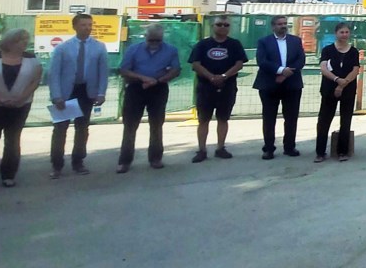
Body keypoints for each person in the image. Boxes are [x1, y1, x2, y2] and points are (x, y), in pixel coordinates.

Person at [0, 29, 42, 189]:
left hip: (19, 106)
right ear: (9, 42)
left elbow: (35, 81)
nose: (24, 43)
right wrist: (0, 98)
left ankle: (9, 175)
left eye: (26, 40)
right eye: (20, 40)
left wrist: (21, 98)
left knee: (12, 141)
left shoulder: (32, 59)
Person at [48, 14, 109, 178]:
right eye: (84, 25)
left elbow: (103, 72)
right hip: (66, 92)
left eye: (90, 25)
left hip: (86, 92)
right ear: (75, 26)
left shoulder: (99, 47)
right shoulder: (63, 48)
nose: (88, 28)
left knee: (82, 129)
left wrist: (101, 92)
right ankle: (57, 165)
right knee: (60, 129)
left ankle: (78, 162)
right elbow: (54, 73)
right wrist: (56, 96)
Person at [115, 24, 181, 173]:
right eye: (151, 40)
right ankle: (124, 161)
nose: (154, 43)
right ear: (145, 37)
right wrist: (143, 78)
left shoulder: (170, 50)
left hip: (158, 88)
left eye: (158, 40)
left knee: (157, 125)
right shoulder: (133, 49)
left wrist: (158, 81)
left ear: (162, 38)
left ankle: (156, 158)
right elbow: (124, 69)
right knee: (130, 125)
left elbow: (176, 69)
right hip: (136, 88)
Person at [188, 16, 247, 163]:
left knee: (223, 119)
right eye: (219, 24)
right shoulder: (203, 44)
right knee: (203, 120)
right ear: (212, 26)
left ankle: (220, 148)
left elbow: (239, 64)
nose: (222, 27)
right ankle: (201, 150)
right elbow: (196, 64)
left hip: (227, 87)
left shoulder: (235, 44)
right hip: (205, 88)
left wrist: (224, 76)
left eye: (226, 25)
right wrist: (211, 77)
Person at [253, 15, 305, 159]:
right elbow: (262, 61)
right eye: (279, 24)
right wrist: (280, 70)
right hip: (270, 84)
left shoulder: (295, 41)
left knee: (291, 118)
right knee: (269, 118)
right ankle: (268, 148)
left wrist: (287, 73)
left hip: (292, 85)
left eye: (285, 23)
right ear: (273, 26)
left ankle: (290, 147)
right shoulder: (264, 41)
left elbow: (301, 60)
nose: (283, 26)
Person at [314, 22, 361, 163]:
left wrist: (343, 83)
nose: (344, 35)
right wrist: (336, 79)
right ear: (336, 34)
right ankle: (320, 152)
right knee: (324, 120)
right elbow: (323, 68)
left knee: (345, 121)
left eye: (347, 32)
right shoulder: (327, 50)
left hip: (348, 89)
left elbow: (355, 69)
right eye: (342, 32)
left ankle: (342, 151)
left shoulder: (354, 51)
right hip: (329, 89)